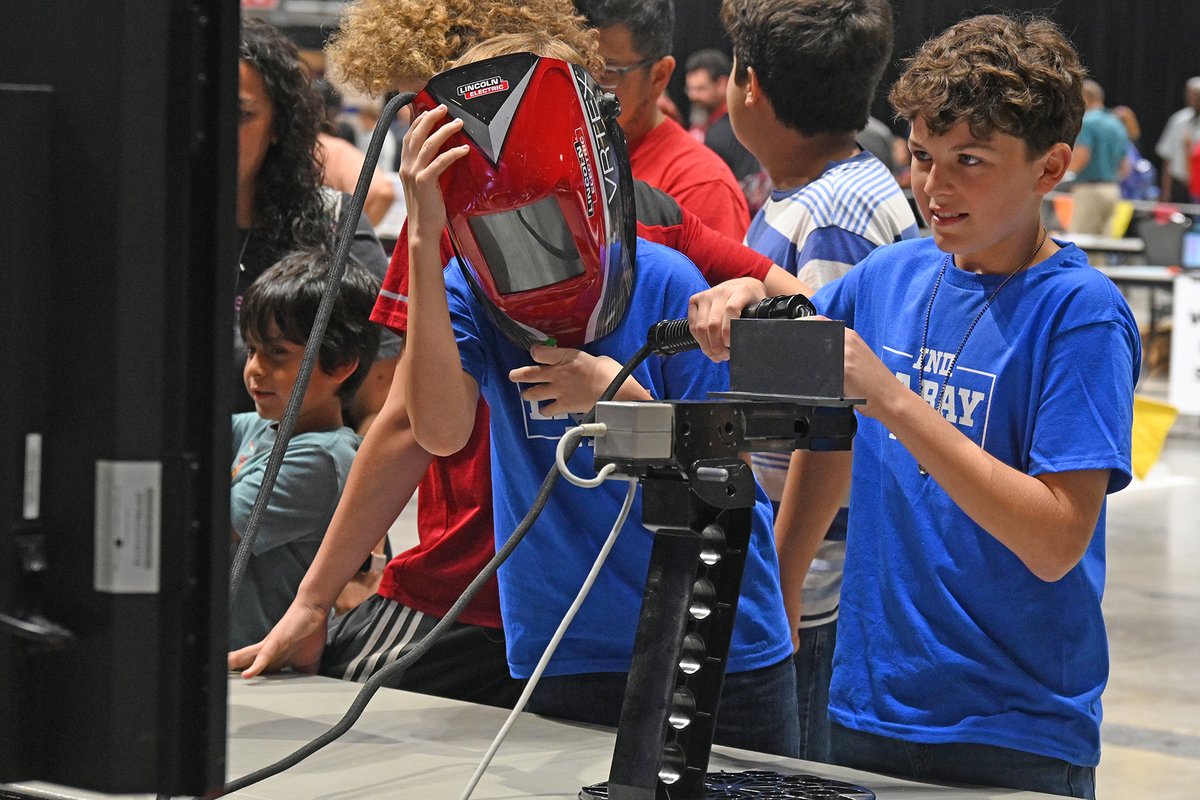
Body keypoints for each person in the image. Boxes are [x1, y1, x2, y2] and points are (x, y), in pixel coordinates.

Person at [230, 5, 806, 714]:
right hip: (543, 612)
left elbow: (768, 403)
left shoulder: (660, 247)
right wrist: (313, 599)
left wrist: (754, 295)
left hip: (679, 620)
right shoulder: (453, 259)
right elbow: (422, 425)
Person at [692, 14, 1139, 798]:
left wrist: (895, 402)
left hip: (1011, 727)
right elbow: (819, 376)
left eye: (970, 161)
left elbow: (1057, 540)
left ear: (1050, 167)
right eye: (925, 158)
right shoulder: (893, 276)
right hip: (868, 703)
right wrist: (747, 293)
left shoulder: (1079, 313)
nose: (936, 187)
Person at [398, 38, 797, 755]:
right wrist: (426, 235)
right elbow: (438, 430)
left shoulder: (670, 283)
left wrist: (613, 401)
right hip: (565, 644)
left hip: (713, 642)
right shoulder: (468, 293)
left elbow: (723, 477)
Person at [716, 0, 917, 763]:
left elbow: (831, 419)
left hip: (811, 579)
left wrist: (787, 577)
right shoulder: (822, 194)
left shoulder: (831, 218)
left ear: (750, 85)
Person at [237, 19, 400, 436]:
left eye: (241, 115)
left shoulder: (332, 224)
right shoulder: (145, 233)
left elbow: (378, 404)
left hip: (295, 487)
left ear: (278, 125)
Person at [230, 250, 381, 650]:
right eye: (250, 350)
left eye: (277, 353)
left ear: (341, 363)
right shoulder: (256, 429)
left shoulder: (322, 458)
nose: (255, 369)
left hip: (260, 662)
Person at [576, 0, 751, 240]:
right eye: (577, 68)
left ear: (659, 76)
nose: (584, 88)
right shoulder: (569, 153)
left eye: (607, 72)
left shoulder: (701, 186)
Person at [684, 48, 770, 214]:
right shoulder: (706, 126)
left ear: (722, 84)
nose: (693, 96)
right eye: (690, 89)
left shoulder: (732, 129)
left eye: (701, 89)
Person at [1068, 79, 1128, 235]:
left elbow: (1082, 157)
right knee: (1104, 246)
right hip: (1112, 190)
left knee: (1081, 241)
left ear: (1085, 98)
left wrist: (1061, 172)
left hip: (1090, 190)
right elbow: (1126, 166)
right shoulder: (1117, 124)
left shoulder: (1087, 122)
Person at [1154, 76, 1200, 204]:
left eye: (1198, 95)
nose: (1196, 98)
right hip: (1179, 183)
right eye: (1192, 94)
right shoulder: (1179, 120)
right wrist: (1166, 191)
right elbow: (1167, 157)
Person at [1112, 105, 1158, 201]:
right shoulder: (1123, 145)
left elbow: (1125, 170)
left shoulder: (1127, 146)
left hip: (1127, 192)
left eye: (1123, 122)